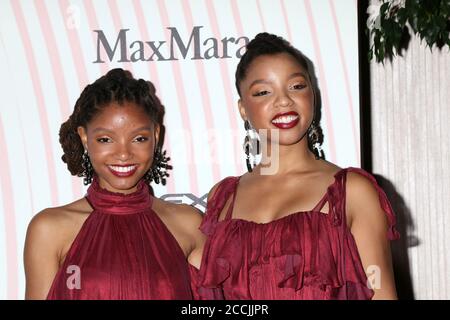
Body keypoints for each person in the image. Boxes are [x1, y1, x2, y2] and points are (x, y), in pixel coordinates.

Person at [196, 33, 400, 300]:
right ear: (243, 109)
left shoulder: (351, 191)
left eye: (296, 86)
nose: (284, 101)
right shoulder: (222, 198)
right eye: (263, 92)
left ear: (312, 96)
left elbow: (382, 295)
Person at [24, 68, 206, 299]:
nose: (123, 153)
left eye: (139, 138)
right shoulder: (49, 228)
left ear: (156, 135)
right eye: (105, 139)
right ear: (84, 137)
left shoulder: (189, 224)